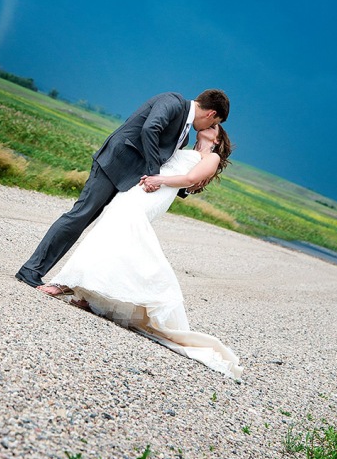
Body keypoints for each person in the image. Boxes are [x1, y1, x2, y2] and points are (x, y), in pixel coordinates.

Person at [42, 124, 242, 379]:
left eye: (214, 126)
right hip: (144, 187)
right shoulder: (186, 147)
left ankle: (67, 283)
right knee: (113, 231)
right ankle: (90, 294)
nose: (208, 125)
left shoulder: (211, 157)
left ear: (217, 139)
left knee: (124, 229)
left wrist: (159, 180)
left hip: (157, 192)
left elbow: (190, 180)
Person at [15, 89, 230, 289]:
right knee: (79, 216)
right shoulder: (172, 102)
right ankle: (31, 270)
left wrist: (184, 187)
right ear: (211, 114)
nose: (209, 127)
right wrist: (153, 172)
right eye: (215, 122)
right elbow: (150, 128)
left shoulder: (184, 134)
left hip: (129, 180)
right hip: (114, 165)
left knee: (94, 223)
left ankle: (72, 280)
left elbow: (171, 164)